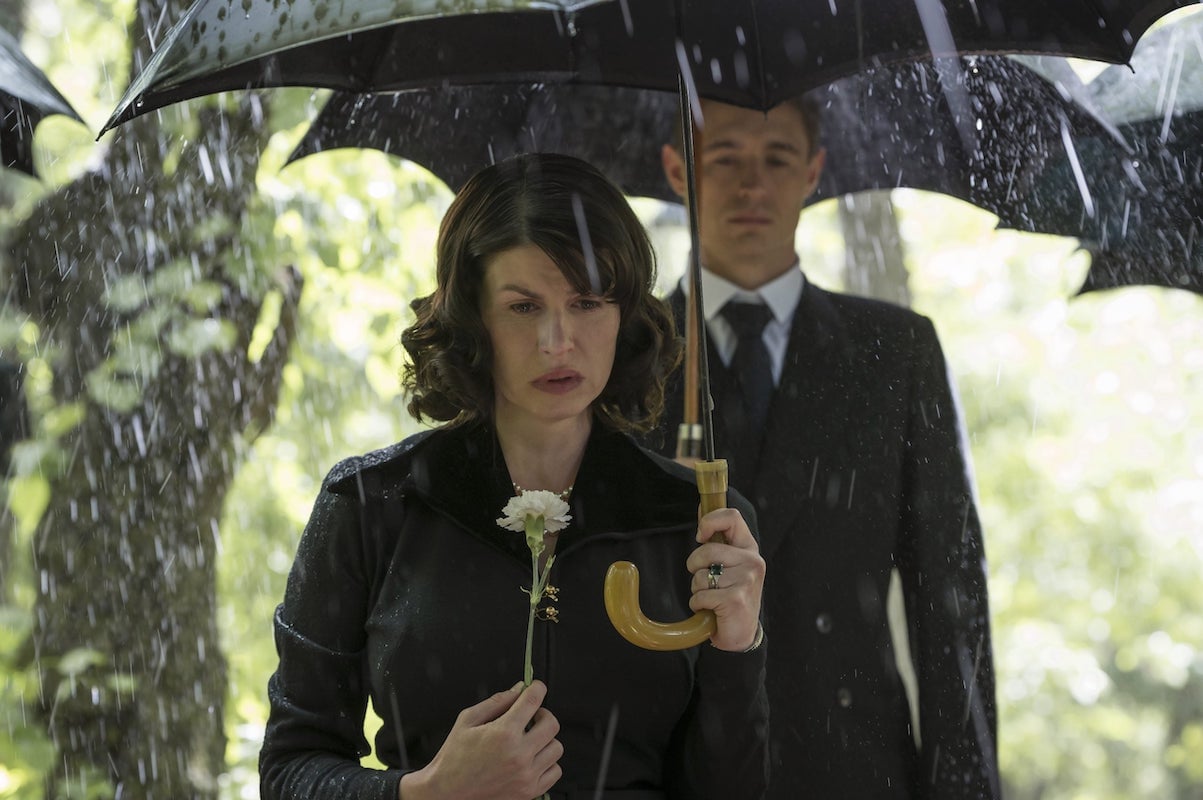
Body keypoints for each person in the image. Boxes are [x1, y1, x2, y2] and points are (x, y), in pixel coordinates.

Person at [259, 153, 769, 800]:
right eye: (524, 308)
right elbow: (288, 772)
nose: (558, 341)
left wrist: (737, 645)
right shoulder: (371, 505)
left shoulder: (700, 527)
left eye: (586, 302)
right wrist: (426, 793)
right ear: (473, 319)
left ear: (623, 314)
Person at [648, 98, 1000, 798]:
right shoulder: (625, 351)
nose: (752, 184)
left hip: (852, 765)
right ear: (676, 170)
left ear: (814, 171)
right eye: (724, 159)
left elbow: (948, 599)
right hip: (675, 764)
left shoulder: (894, 351)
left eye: (776, 158)